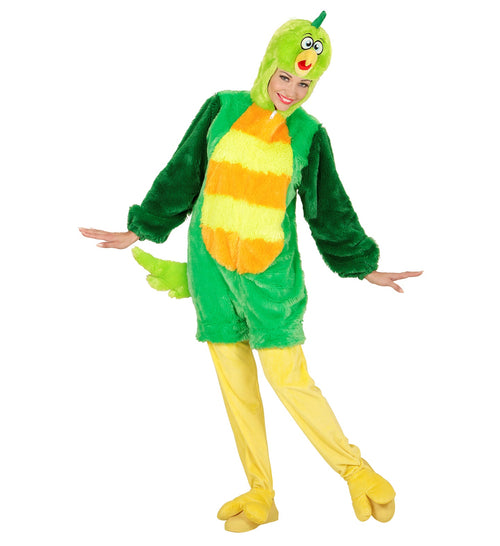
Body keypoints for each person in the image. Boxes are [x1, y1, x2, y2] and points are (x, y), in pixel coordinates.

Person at [80, 11, 422, 533]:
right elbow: (182, 174)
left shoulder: (309, 134)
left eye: (305, 84)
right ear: (268, 67)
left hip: (271, 285)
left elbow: (328, 210)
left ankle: (357, 472)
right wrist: (141, 228)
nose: (292, 91)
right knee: (237, 388)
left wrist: (362, 265)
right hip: (212, 275)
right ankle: (261, 492)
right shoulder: (222, 107)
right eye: (286, 76)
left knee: (290, 380)